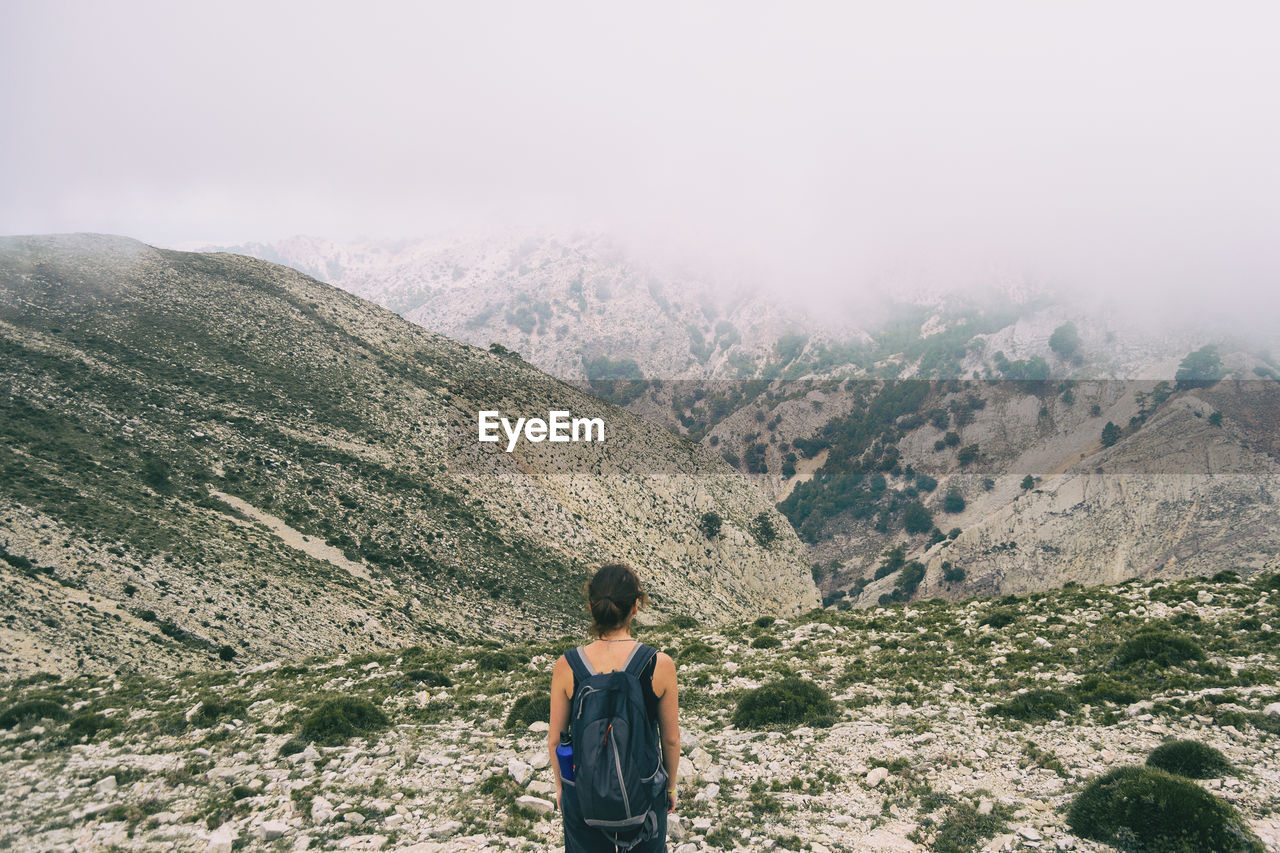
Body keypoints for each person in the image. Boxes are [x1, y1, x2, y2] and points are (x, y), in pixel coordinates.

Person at [549, 563, 680, 852]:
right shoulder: (659, 664)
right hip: (644, 797)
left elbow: (556, 740)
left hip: (584, 800)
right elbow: (670, 739)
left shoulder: (567, 665)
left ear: (590, 606)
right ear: (635, 607)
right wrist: (669, 788)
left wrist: (563, 789)